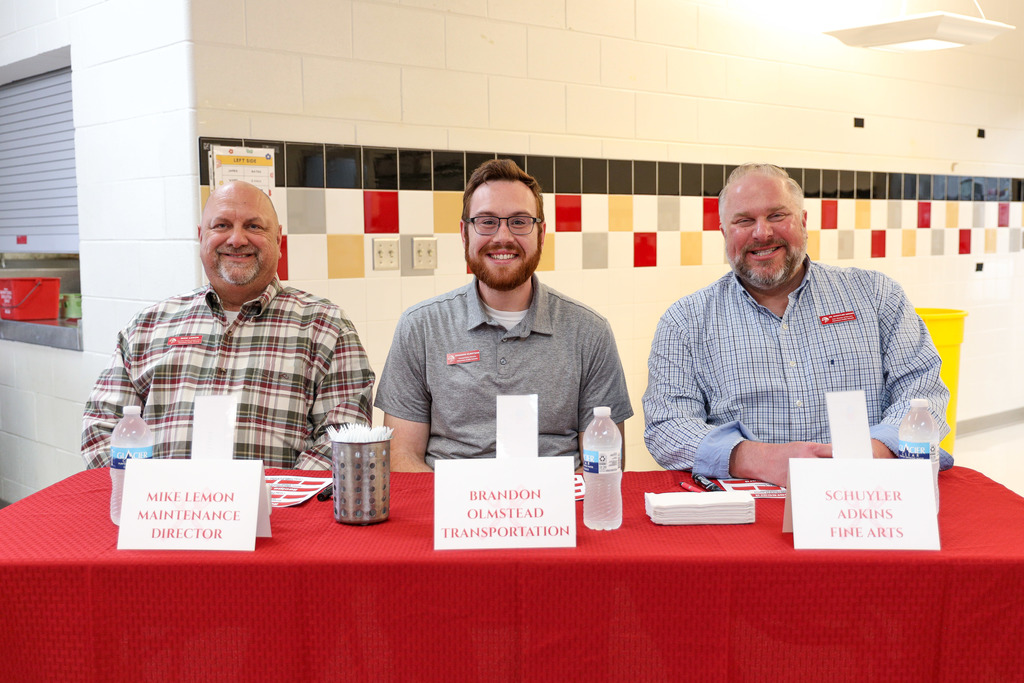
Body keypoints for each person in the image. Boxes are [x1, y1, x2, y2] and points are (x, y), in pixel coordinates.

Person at [643, 163, 952, 486]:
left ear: (803, 222)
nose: (762, 233)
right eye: (744, 221)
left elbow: (924, 392)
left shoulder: (877, 297)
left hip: (868, 498)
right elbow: (667, 426)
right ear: (724, 233)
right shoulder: (684, 322)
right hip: (747, 510)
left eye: (777, 216)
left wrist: (876, 450)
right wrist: (755, 458)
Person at [81, 180, 374, 469]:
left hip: (277, 514)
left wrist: (269, 503)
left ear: (279, 240)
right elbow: (102, 429)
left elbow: (343, 440)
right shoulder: (147, 327)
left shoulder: (326, 328)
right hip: (160, 511)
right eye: (221, 225)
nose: (236, 239)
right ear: (201, 237)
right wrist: (152, 497)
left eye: (254, 226)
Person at [375, 159, 632, 471]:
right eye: (486, 222)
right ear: (463, 232)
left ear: (541, 233)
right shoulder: (420, 328)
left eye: (519, 222)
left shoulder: (589, 332)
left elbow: (605, 463)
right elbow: (402, 457)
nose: (502, 237)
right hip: (450, 511)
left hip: (558, 511)